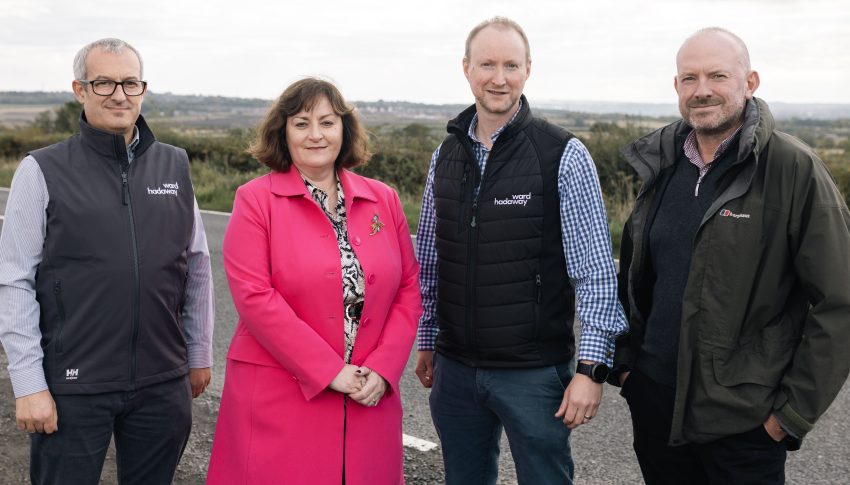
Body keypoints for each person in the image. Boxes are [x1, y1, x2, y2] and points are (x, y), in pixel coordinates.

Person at [613, 27, 850, 484]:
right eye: (689, 78)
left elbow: (839, 301)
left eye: (717, 75)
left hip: (744, 423)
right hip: (656, 405)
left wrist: (789, 417)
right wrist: (629, 371)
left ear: (750, 82)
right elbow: (637, 275)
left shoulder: (793, 169)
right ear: (677, 87)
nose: (702, 90)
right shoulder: (662, 163)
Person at [414, 17, 627, 485]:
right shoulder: (444, 155)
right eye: (487, 64)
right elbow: (430, 261)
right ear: (466, 68)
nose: (499, 77)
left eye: (511, 64)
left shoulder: (563, 154)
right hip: (455, 371)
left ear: (528, 69)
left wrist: (591, 369)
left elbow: (594, 273)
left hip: (533, 374)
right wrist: (428, 338)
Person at [0, 38, 214, 484]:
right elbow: (14, 280)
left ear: (143, 89)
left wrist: (198, 353)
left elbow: (196, 269)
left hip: (162, 381)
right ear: (79, 89)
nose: (119, 94)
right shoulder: (40, 169)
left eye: (129, 83)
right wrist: (29, 385)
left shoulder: (174, 166)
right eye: (104, 83)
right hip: (74, 385)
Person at [205, 78, 422, 485]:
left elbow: (409, 288)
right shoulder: (254, 200)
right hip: (278, 398)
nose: (316, 135)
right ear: (283, 132)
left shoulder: (384, 199)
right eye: (302, 123)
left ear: (345, 129)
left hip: (367, 393)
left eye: (327, 122)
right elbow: (255, 298)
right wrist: (328, 370)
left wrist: (384, 368)